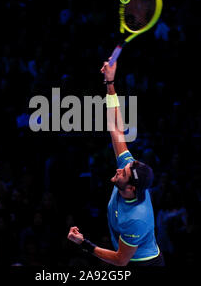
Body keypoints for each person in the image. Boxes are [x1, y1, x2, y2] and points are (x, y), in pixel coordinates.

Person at [67, 59, 164, 266]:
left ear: (130, 188)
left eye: (125, 172)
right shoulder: (129, 179)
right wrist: (110, 84)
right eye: (126, 166)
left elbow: (121, 259)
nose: (120, 168)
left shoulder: (136, 218)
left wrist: (84, 243)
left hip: (143, 264)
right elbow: (116, 129)